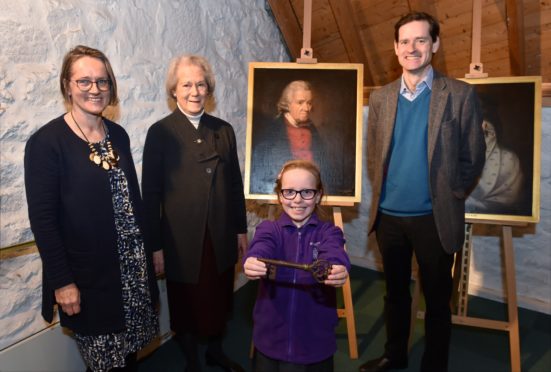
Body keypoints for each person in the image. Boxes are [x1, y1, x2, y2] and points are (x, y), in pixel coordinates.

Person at [360, 12, 486, 372]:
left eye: (420, 40)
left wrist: (451, 193)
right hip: (389, 219)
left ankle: (435, 365)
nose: (411, 48)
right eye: (404, 41)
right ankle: (394, 355)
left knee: (436, 301)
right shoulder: (382, 97)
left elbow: (473, 155)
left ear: (435, 45)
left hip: (434, 219)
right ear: (395, 48)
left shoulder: (459, 95)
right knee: (395, 295)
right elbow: (375, 154)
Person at [24, 45, 159, 372]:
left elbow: (133, 203)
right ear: (67, 85)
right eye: (84, 81)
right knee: (104, 364)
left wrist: (150, 251)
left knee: (128, 359)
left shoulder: (119, 135)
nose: (94, 89)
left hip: (131, 274)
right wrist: (63, 282)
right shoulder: (46, 143)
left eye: (102, 81)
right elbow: (43, 221)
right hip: (88, 280)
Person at [141, 55, 248, 372]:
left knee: (218, 299)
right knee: (186, 303)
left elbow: (234, 184)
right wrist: (155, 245)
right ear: (174, 90)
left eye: (201, 84)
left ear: (209, 89)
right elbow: (151, 195)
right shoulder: (160, 133)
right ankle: (191, 362)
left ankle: (215, 351)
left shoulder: (223, 130)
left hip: (220, 232)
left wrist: (241, 230)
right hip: (180, 238)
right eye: (187, 84)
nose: (195, 91)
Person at [244, 159, 350, 372]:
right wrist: (253, 260)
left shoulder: (329, 232)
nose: (297, 200)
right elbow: (261, 247)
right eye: (289, 192)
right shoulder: (269, 229)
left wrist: (336, 267)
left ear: (318, 195)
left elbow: (334, 252)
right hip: (270, 339)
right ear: (280, 195)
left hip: (315, 343)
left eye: (307, 192)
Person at [465, 101, 524, 214]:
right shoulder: (457, 156)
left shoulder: (509, 159)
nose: (481, 139)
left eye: (486, 133)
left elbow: (510, 199)